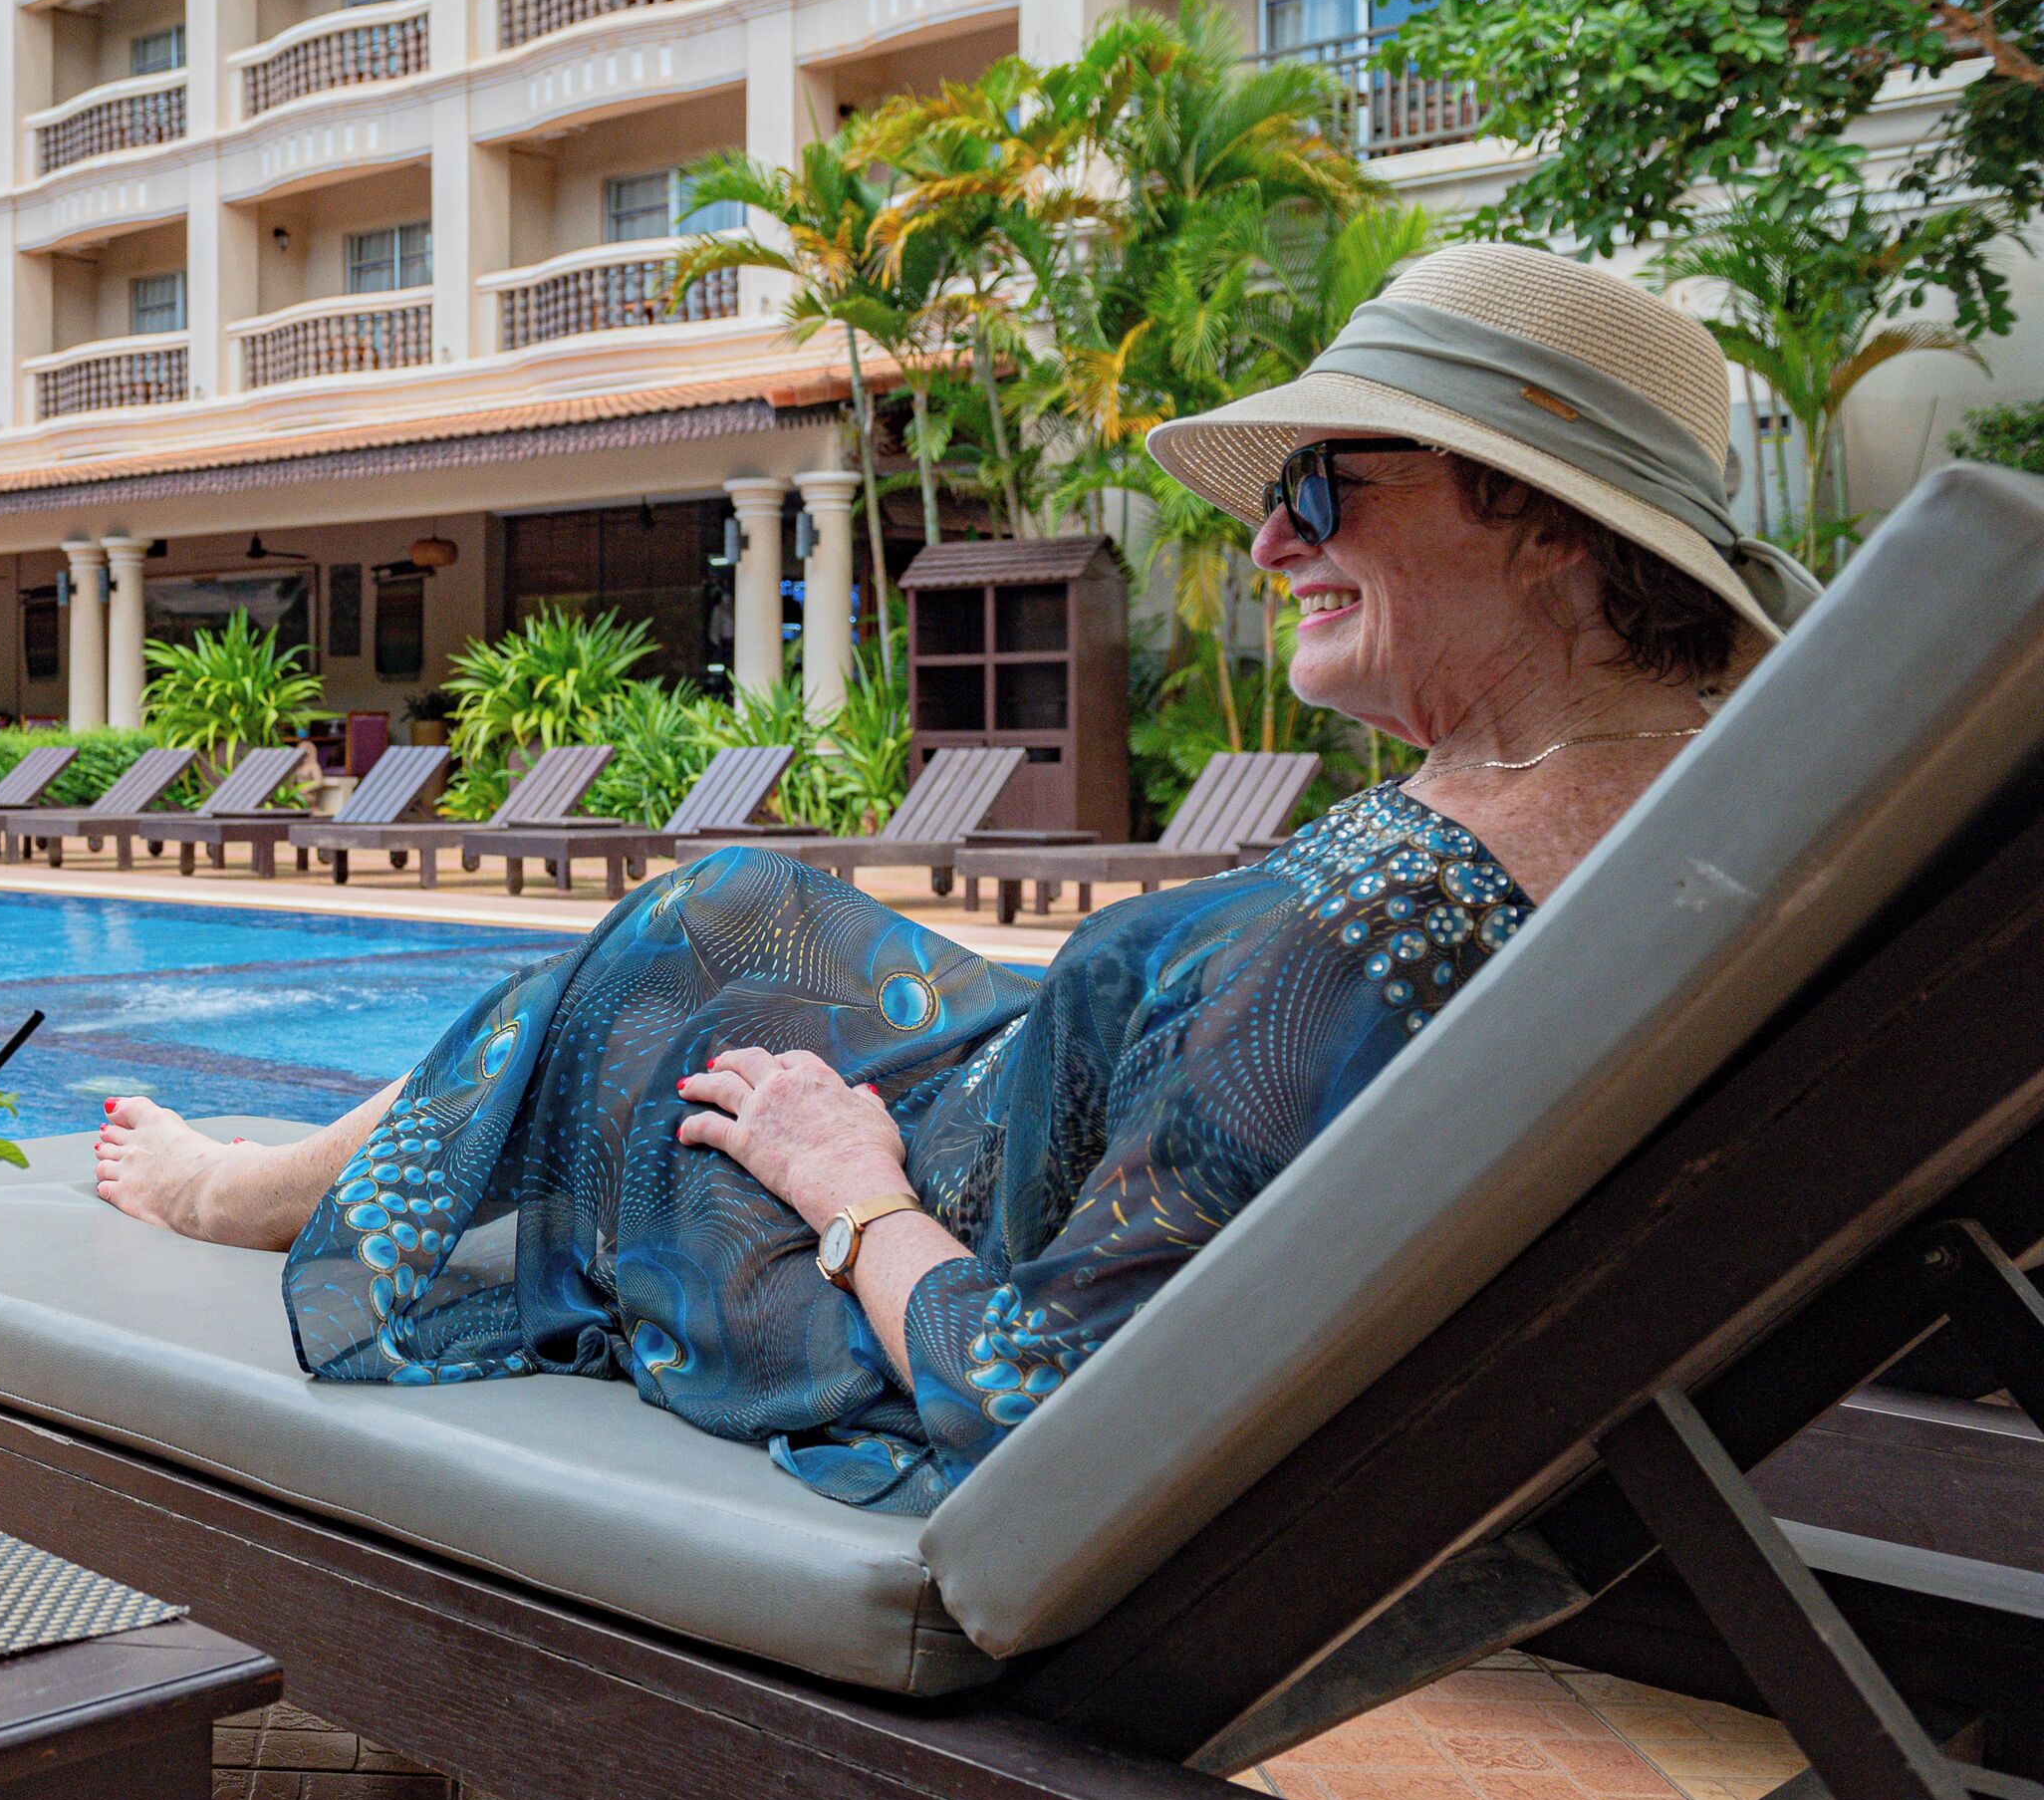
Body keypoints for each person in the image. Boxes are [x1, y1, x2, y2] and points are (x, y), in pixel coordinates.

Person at [95, 243, 1818, 1509]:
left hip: (891, 1240)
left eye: (1320, 485)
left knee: (664, 976)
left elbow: (1037, 1385)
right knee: (732, 910)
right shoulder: (1662, 829)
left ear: (1537, 516)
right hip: (994, 1094)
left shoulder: (1386, 920)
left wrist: (849, 1190)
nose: (1273, 541)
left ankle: (245, 1194)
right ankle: (271, 1170)